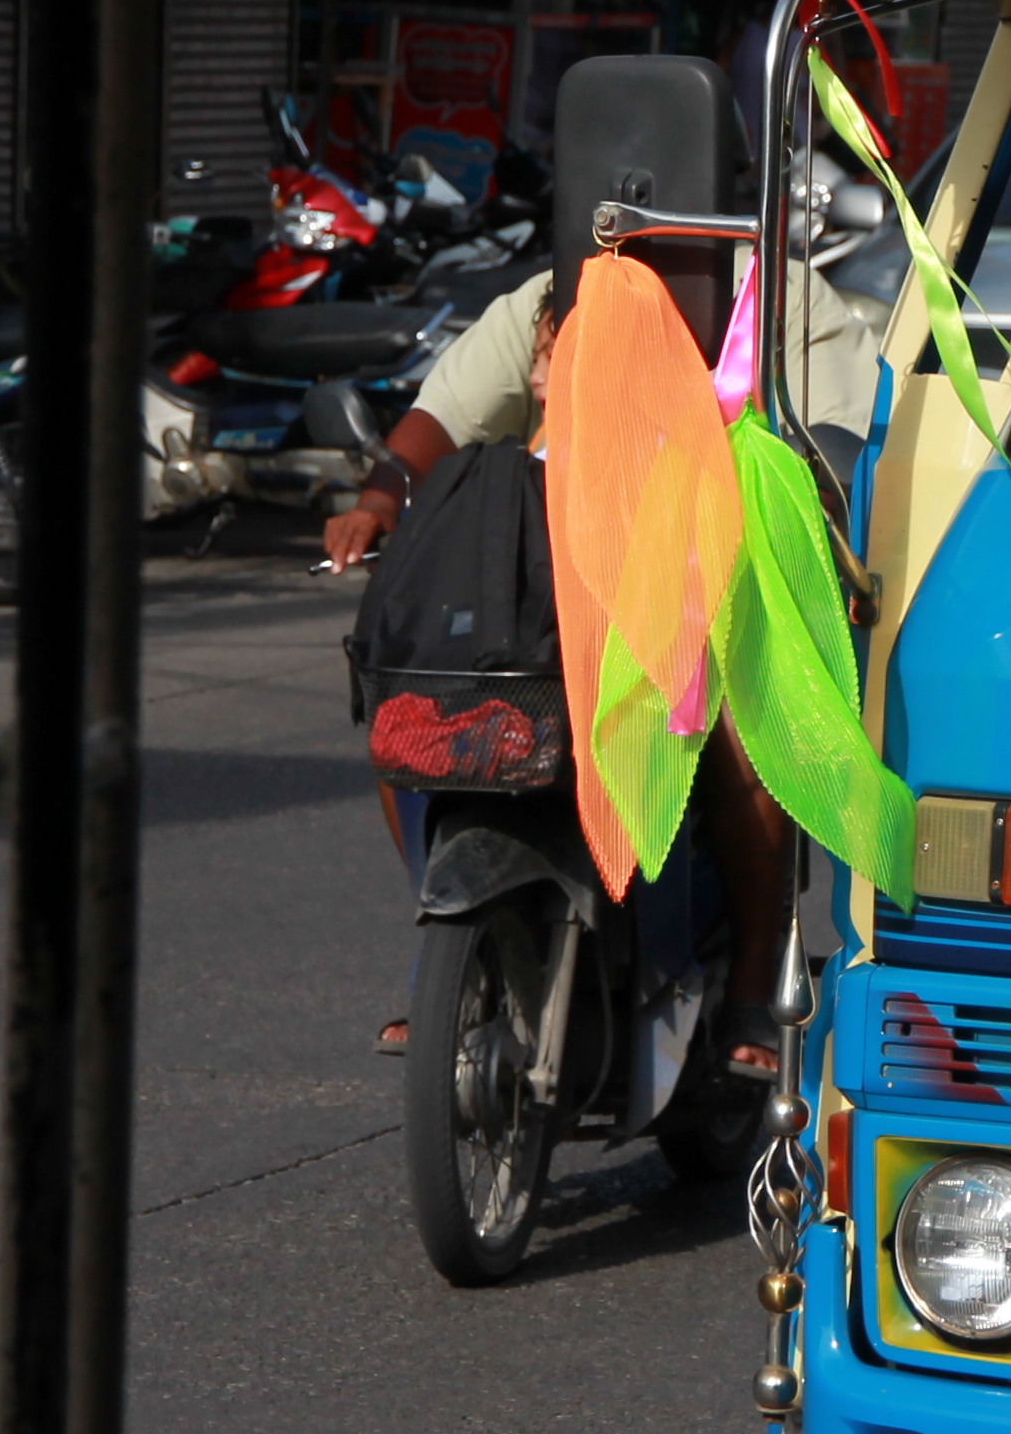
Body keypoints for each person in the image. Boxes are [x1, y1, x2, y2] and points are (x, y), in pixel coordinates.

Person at [324, 258, 804, 1080]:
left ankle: (751, 986)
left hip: (656, 665)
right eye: (549, 345)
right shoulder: (495, 470)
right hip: (536, 676)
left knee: (743, 745)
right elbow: (439, 505)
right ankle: (453, 959)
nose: (551, 362)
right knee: (404, 715)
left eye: (571, 346)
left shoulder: (682, 443)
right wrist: (378, 511)